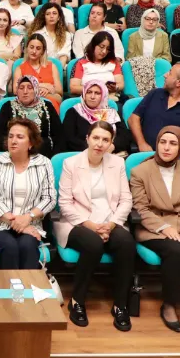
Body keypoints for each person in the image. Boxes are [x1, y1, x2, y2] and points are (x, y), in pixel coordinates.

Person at [55, 121, 136, 330]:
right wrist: (92, 226)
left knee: (127, 243)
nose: (100, 144)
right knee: (93, 244)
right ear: (87, 139)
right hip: (77, 222)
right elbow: (65, 203)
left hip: (110, 221)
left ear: (111, 143)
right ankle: (77, 301)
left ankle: (120, 304)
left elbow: (126, 200)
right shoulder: (71, 163)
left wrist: (111, 224)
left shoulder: (117, 163)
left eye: (105, 140)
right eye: (96, 138)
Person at [129, 126, 180, 333]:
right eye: (162, 142)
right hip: (154, 226)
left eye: (173, 143)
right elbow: (141, 208)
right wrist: (163, 227)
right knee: (175, 251)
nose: (166, 147)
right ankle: (169, 304)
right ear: (156, 144)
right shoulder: (140, 171)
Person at [0, 118, 56, 269]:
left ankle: (29, 284)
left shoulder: (44, 163)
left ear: (31, 143)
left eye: (20, 137)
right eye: (11, 136)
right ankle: (10, 284)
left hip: (31, 223)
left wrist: (28, 217)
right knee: (10, 246)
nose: (13, 141)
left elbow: (49, 198)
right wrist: (17, 223)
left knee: (27, 245)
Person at [129, 63, 180, 154]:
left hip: (174, 158)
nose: (165, 75)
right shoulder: (155, 94)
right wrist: (141, 143)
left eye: (170, 73)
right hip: (145, 154)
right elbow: (133, 118)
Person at [0, 76, 61, 158]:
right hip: (14, 155)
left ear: (36, 90)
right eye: (21, 88)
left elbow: (59, 135)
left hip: (45, 154)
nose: (25, 92)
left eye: (30, 88)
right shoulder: (7, 107)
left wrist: (54, 158)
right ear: (17, 91)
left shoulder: (47, 106)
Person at [62, 77, 132, 154]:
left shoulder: (112, 113)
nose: (92, 96)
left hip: (112, 153)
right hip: (83, 154)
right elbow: (69, 139)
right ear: (84, 94)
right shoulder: (73, 112)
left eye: (97, 93)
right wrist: (97, 149)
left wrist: (112, 146)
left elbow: (125, 136)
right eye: (89, 92)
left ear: (103, 96)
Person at [71, 30, 125, 96]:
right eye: (101, 47)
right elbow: (74, 88)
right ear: (93, 45)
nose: (104, 51)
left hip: (110, 96)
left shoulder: (114, 62)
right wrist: (96, 90)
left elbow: (120, 84)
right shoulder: (80, 63)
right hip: (88, 97)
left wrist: (114, 88)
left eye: (108, 49)